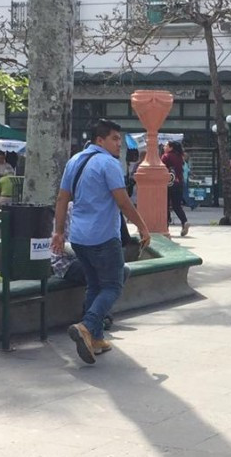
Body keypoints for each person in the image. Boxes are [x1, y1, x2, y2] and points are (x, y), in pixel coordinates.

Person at [54, 119, 151, 364]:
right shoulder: (108, 163)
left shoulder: (74, 161)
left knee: (95, 286)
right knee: (113, 285)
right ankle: (86, 326)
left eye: (119, 139)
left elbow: (62, 199)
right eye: (114, 139)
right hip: (103, 237)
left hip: (78, 238)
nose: (119, 144)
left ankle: (96, 338)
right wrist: (142, 226)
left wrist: (58, 232)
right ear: (100, 140)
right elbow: (123, 201)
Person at [162, 141, 190, 236]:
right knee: (177, 206)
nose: (164, 147)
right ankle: (184, 221)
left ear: (171, 148)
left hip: (168, 183)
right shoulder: (180, 157)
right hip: (179, 184)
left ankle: (165, 226)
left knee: (165, 206)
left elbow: (161, 168)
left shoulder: (166, 156)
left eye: (166, 145)